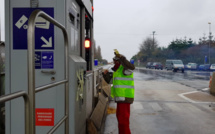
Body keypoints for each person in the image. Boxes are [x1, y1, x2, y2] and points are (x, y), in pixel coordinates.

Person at [102, 51, 135, 134]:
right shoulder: (117, 71)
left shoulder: (125, 69)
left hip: (125, 98)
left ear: (119, 62)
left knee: (123, 121)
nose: (114, 63)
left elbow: (131, 67)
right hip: (120, 99)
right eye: (114, 61)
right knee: (120, 120)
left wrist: (122, 58)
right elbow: (110, 81)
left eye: (115, 61)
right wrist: (105, 75)